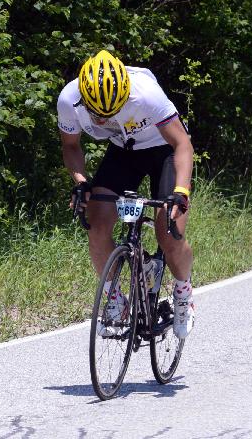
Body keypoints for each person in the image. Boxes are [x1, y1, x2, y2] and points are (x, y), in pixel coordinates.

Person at [58, 50, 195, 338]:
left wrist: (181, 192)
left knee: (169, 233)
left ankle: (183, 293)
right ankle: (115, 301)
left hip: (163, 151)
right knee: (96, 224)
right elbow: (70, 146)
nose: (104, 118)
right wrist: (81, 181)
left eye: (113, 110)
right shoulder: (68, 100)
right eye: (97, 113)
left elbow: (183, 144)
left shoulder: (146, 95)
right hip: (123, 151)